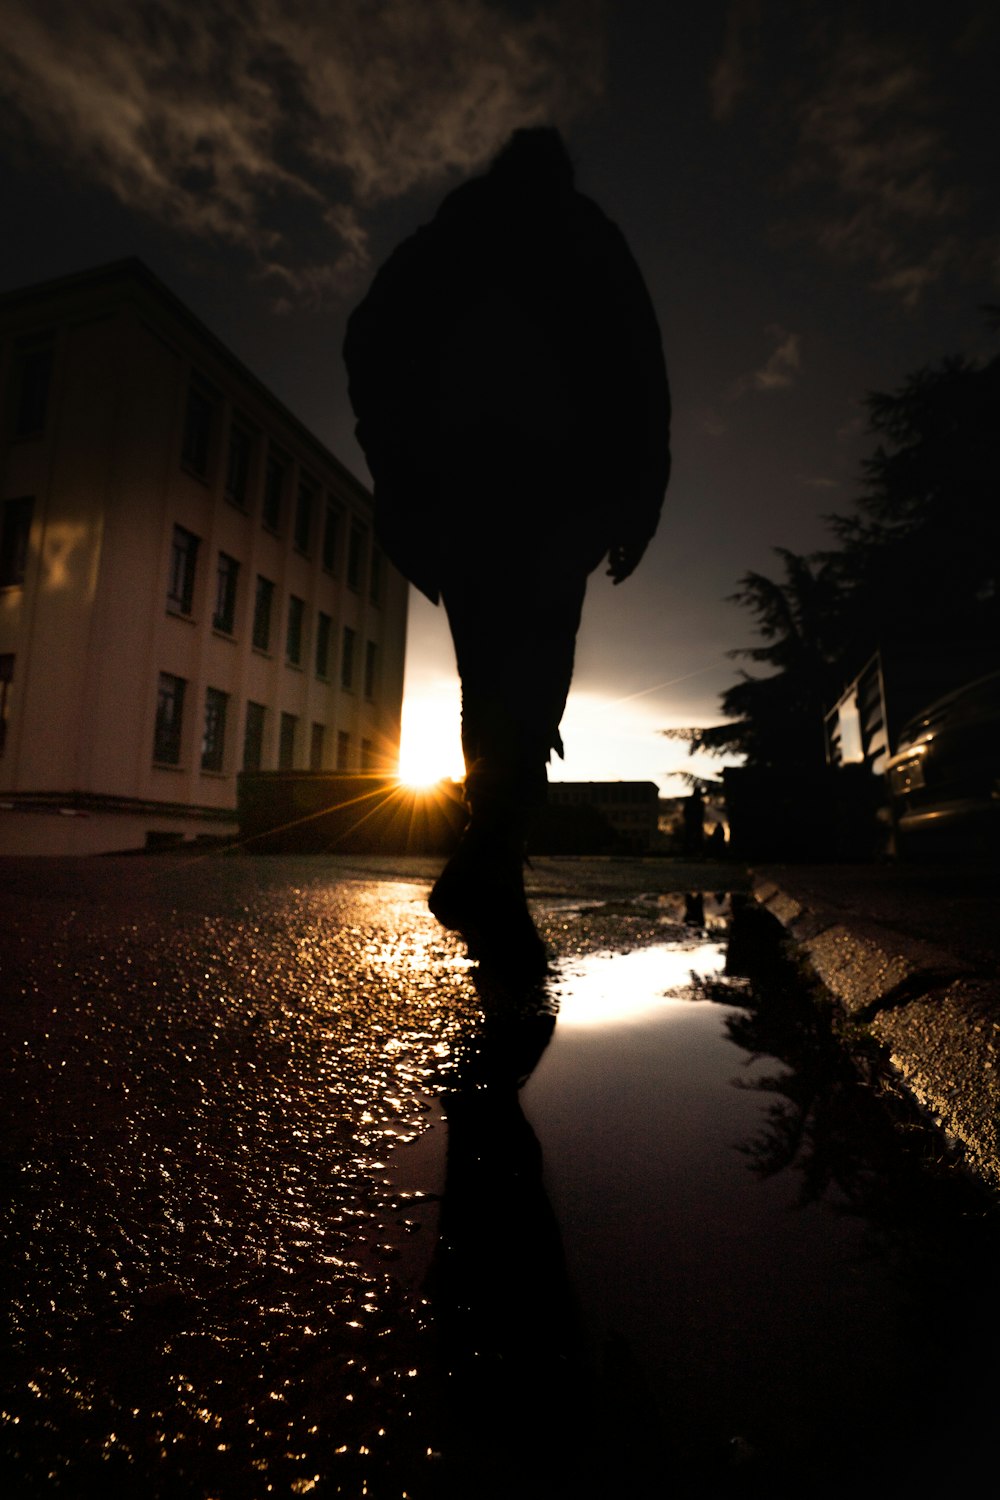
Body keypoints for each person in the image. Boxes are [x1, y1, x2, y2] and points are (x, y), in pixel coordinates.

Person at [344, 127, 670, 972]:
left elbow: (366, 341)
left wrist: (398, 465)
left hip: (463, 499)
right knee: (530, 679)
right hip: (554, 495)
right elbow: (641, 377)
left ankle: (490, 859)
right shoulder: (584, 236)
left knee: (486, 677)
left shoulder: (442, 242)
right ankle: (491, 860)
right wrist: (640, 497)